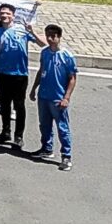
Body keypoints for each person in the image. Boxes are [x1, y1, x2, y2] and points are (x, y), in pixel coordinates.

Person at [0, 2, 34, 149]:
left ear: (13, 15)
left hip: (20, 74)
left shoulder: (22, 30)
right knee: (5, 105)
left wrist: (32, 31)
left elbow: (42, 43)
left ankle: (19, 135)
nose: (4, 15)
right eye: (2, 13)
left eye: (7, 13)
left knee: (19, 105)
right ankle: (5, 131)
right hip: (3, 73)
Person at [34, 24, 77, 169]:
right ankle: (47, 148)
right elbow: (41, 71)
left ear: (59, 37)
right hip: (44, 96)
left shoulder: (67, 56)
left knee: (62, 128)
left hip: (58, 98)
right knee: (44, 125)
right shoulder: (44, 53)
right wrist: (34, 88)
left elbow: (72, 78)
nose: (50, 39)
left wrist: (66, 98)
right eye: (48, 36)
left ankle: (66, 156)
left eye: (53, 36)